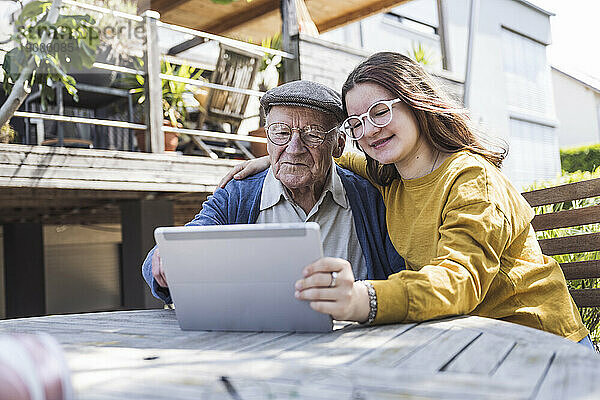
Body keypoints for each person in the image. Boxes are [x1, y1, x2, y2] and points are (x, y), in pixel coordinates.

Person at [221, 52, 592, 346]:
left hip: (537, 344)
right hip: (464, 342)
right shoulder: (390, 178)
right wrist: (279, 156)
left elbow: (458, 280)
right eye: (357, 123)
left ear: (415, 101)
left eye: (380, 111)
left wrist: (363, 298)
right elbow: (333, 156)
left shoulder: (471, 179)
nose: (370, 130)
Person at [142, 80, 405, 304]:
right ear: (267, 138)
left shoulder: (370, 196)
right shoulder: (239, 193)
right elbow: (189, 239)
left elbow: (401, 275)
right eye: (280, 133)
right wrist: (166, 256)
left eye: (312, 135)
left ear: (338, 145)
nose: (294, 148)